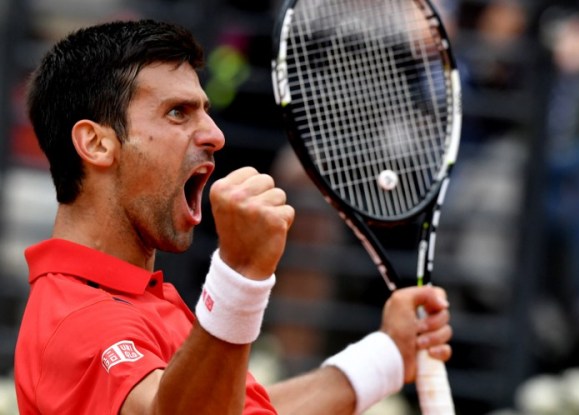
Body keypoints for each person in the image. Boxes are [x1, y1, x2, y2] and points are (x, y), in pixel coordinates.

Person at [13, 19, 452, 415]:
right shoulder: (79, 320)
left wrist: (388, 358)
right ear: (96, 144)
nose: (215, 135)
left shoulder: (135, 300)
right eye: (177, 113)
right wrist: (240, 275)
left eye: (204, 111)